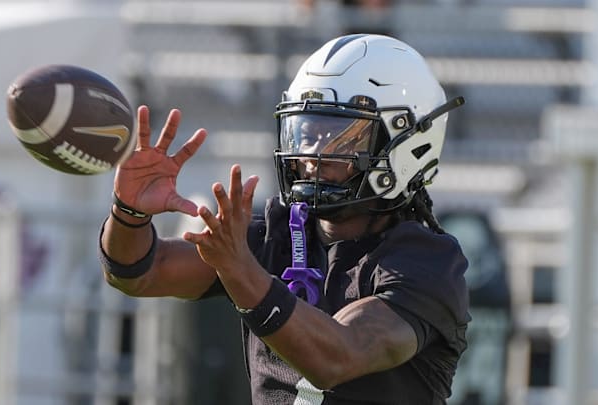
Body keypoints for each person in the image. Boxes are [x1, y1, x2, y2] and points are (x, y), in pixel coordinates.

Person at [99, 34, 470, 404]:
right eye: (307, 131)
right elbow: (139, 273)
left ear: (407, 144)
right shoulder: (277, 234)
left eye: (340, 136)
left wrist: (241, 271)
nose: (311, 152)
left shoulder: (427, 264)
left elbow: (336, 358)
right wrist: (129, 213)